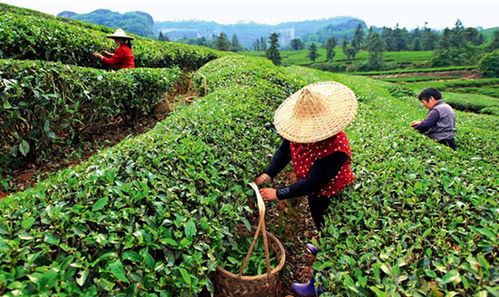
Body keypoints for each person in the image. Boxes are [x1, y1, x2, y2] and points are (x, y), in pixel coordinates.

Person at [254, 81, 358, 296]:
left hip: (332, 193)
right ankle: (320, 242)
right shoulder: (298, 133)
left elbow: (315, 181)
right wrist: (268, 173)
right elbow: (284, 151)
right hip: (316, 194)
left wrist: (278, 194)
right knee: (319, 223)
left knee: (331, 234)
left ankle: (317, 286)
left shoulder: (336, 147)